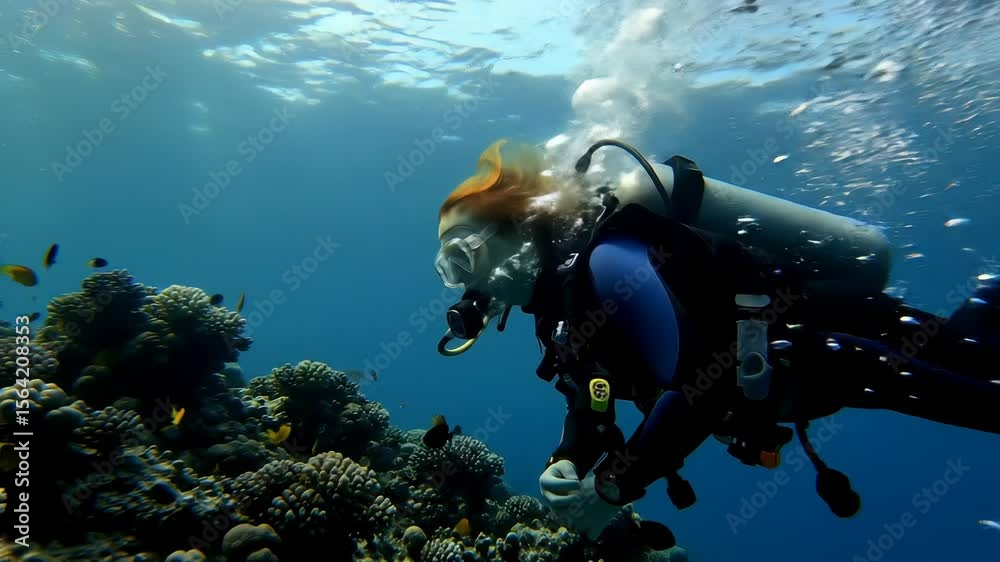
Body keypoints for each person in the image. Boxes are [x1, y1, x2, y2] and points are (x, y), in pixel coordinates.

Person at [432, 138, 1000, 543]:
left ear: (516, 230)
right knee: (973, 347)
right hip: (800, 374)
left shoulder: (609, 260)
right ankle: (987, 300)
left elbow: (710, 374)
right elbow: (594, 397)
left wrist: (612, 487)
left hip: (839, 347)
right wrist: (569, 458)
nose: (464, 284)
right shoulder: (562, 312)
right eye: (448, 270)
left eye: (463, 255)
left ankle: (988, 297)